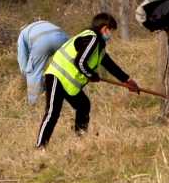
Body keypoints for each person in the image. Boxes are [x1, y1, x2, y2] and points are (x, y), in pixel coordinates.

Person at [35, 13, 140, 149]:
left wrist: (127, 80)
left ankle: (80, 139)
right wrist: (92, 75)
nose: (111, 34)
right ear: (104, 28)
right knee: (53, 112)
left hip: (69, 83)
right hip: (57, 76)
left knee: (84, 105)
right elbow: (80, 62)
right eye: (111, 30)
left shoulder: (99, 47)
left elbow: (109, 65)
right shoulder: (92, 38)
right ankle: (40, 146)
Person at [17, 20, 69, 104]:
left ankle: (34, 103)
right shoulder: (43, 23)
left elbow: (22, 57)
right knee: (68, 68)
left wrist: (25, 73)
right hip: (61, 36)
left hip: (41, 42)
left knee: (33, 72)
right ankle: (70, 98)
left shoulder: (23, 33)